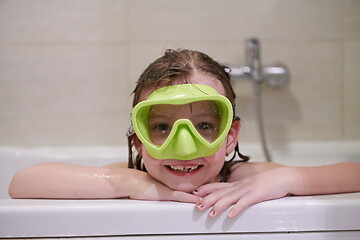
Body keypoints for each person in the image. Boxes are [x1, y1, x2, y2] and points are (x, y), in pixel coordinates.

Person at [9, 49, 360, 219]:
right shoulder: (132, 176)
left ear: (230, 136)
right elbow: (23, 182)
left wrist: (286, 178)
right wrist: (132, 185)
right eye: (162, 127)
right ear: (139, 141)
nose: (185, 146)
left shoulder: (243, 177)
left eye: (205, 125)